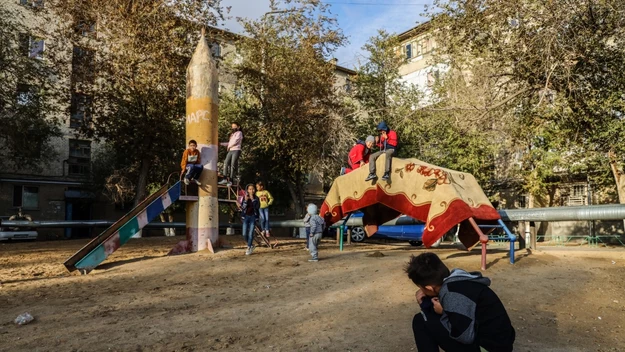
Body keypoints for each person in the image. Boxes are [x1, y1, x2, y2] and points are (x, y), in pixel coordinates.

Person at [405, 253, 515, 352]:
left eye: (421, 288)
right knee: (426, 318)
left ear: (429, 288)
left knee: (420, 321)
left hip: (489, 348)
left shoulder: (451, 294)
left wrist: (444, 313)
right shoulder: (459, 280)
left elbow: (464, 337)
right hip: (500, 342)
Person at [219, 122, 243, 187]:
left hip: (236, 150)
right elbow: (229, 143)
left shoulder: (239, 133)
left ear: (238, 127)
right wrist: (221, 144)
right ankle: (224, 178)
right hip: (230, 150)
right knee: (226, 163)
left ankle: (231, 180)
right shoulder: (232, 134)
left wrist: (229, 146)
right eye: (232, 126)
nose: (233, 128)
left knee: (233, 165)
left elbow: (235, 142)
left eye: (235, 126)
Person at [240, 183, 260, 255]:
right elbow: (242, 207)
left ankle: (249, 247)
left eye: (253, 189)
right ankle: (251, 245)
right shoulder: (245, 197)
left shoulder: (256, 198)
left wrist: (253, 200)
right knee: (244, 233)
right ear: (247, 190)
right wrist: (245, 201)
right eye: (250, 189)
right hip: (245, 217)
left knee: (251, 233)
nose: (252, 190)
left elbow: (257, 207)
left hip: (253, 217)